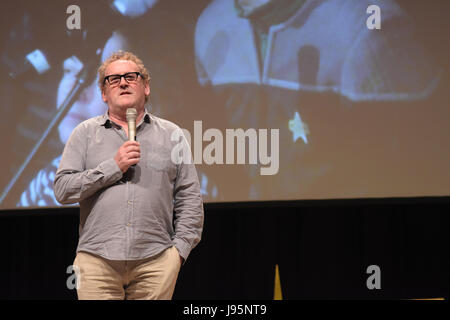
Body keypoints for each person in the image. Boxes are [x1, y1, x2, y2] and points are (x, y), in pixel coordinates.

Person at [53, 51, 204, 300]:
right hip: (96, 262)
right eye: (114, 79)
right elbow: (62, 190)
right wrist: (113, 167)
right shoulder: (84, 133)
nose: (123, 82)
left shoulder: (172, 134)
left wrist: (177, 253)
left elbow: (190, 199)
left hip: (156, 262)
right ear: (104, 93)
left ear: (145, 87)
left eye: (131, 77)